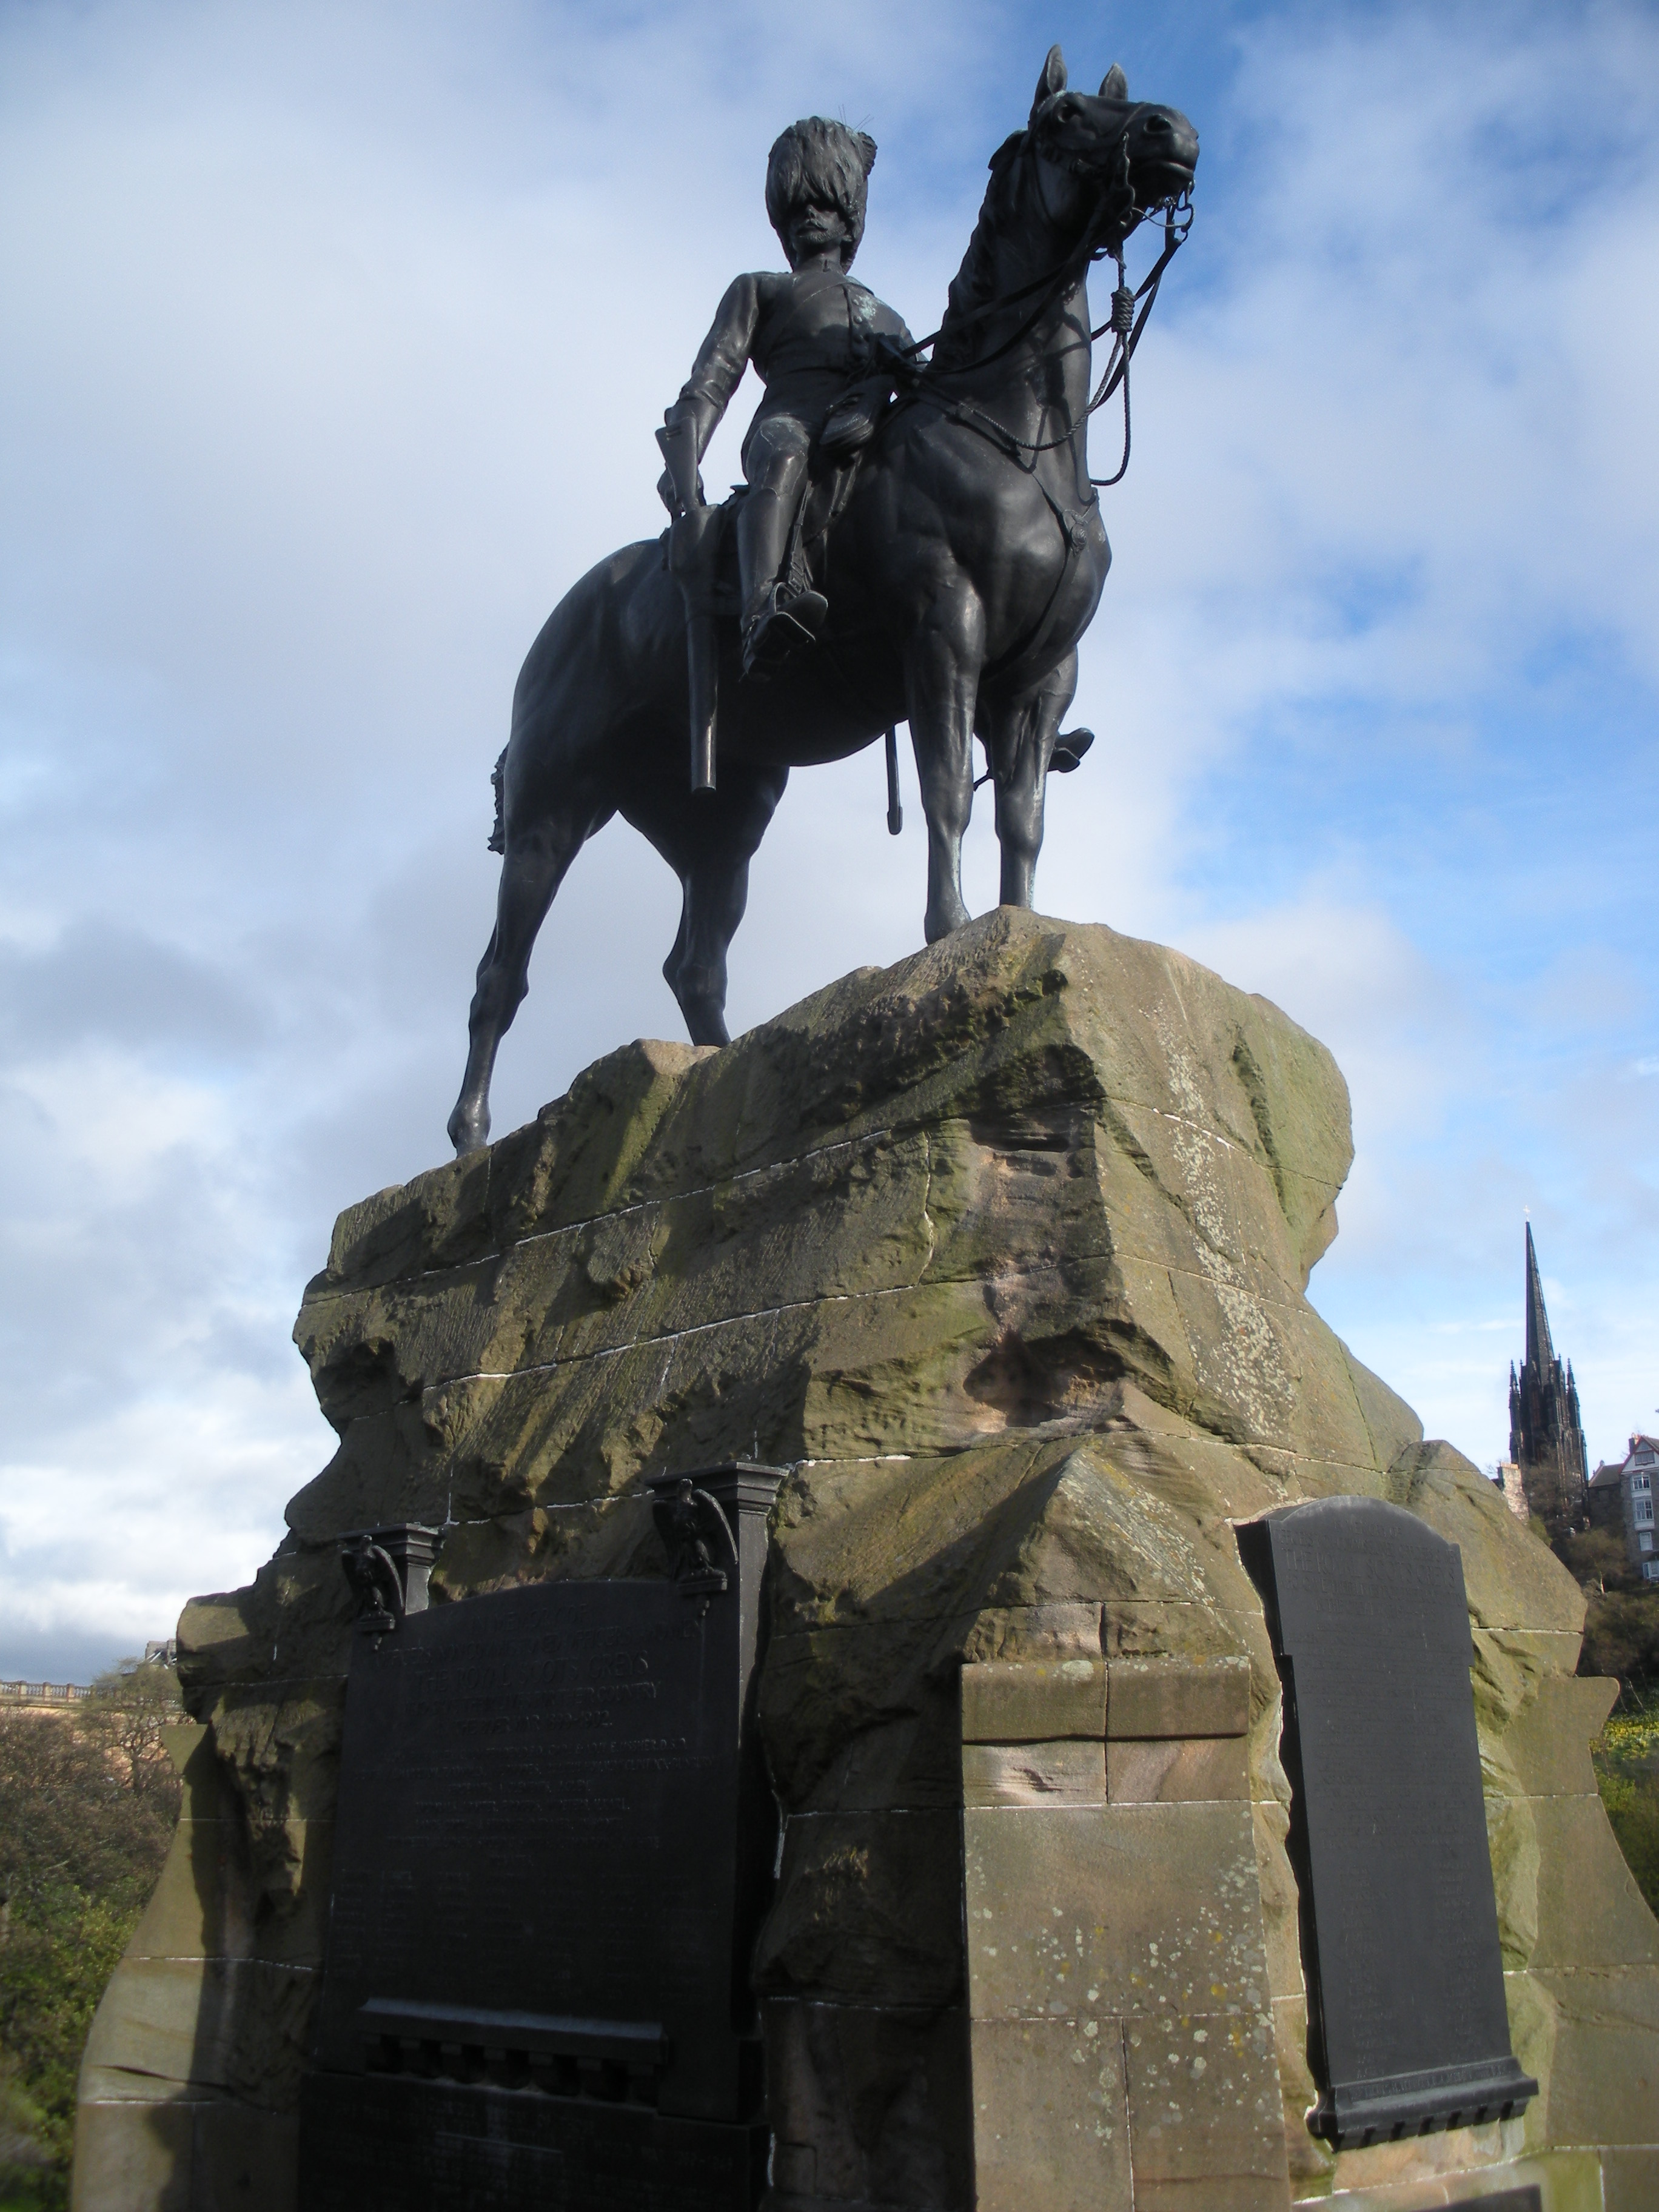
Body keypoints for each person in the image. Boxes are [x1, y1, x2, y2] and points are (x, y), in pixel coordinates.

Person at [658, 118, 913, 677]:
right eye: (795, 209)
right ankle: (761, 611)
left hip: (861, 437)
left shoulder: (890, 318)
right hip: (787, 422)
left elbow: (921, 391)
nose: (807, 218)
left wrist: (877, 394)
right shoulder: (761, 289)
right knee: (786, 453)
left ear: (849, 221)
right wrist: (686, 453)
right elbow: (714, 377)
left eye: (822, 205)